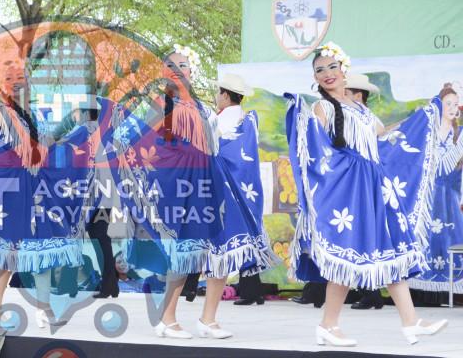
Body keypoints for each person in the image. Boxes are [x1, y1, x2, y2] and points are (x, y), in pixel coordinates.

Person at [285, 42, 447, 346]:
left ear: (344, 69)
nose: (327, 73)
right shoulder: (323, 108)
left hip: (374, 187)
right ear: (315, 77)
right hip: (350, 191)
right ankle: (328, 325)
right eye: (320, 70)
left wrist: (424, 115)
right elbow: (317, 147)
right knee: (347, 256)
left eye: (332, 67)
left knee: (391, 251)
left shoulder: (360, 109)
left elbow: (384, 135)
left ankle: (410, 322)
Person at [123, 46, 275, 340]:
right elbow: (138, 142)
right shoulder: (158, 105)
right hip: (183, 186)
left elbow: (216, 143)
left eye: (184, 66)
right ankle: (167, 319)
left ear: (191, 72)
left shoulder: (203, 108)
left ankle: (208, 319)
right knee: (186, 253)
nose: (179, 71)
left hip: (212, 184)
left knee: (222, 250)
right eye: (172, 66)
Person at [215, 74, 270, 306]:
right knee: (248, 231)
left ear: (226, 95)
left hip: (228, 183)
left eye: (218, 93)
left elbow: (214, 149)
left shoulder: (221, 120)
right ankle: (251, 289)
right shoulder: (248, 118)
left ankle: (193, 284)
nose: (217, 97)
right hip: (248, 182)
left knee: (225, 235)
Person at [408, 84, 463, 298]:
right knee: (426, 237)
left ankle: (452, 291)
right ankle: (423, 292)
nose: (452, 108)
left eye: (455, 104)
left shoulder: (459, 135)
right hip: (428, 196)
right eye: (447, 103)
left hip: (451, 198)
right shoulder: (427, 135)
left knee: (451, 236)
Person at [344, 74, 385, 310]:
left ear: (358, 96)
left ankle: (369, 291)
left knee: (362, 232)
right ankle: (369, 291)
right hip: (364, 180)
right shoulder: (367, 117)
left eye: (346, 93)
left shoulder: (361, 117)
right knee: (364, 233)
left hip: (360, 181)